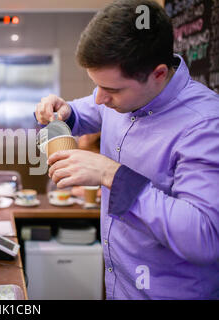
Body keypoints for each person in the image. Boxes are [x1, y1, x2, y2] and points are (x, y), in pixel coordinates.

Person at [35, 0, 219, 299]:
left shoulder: (205, 125)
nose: (98, 99)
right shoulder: (124, 94)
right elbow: (84, 112)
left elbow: (205, 237)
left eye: (112, 90)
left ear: (159, 74)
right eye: (96, 85)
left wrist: (112, 174)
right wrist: (62, 111)